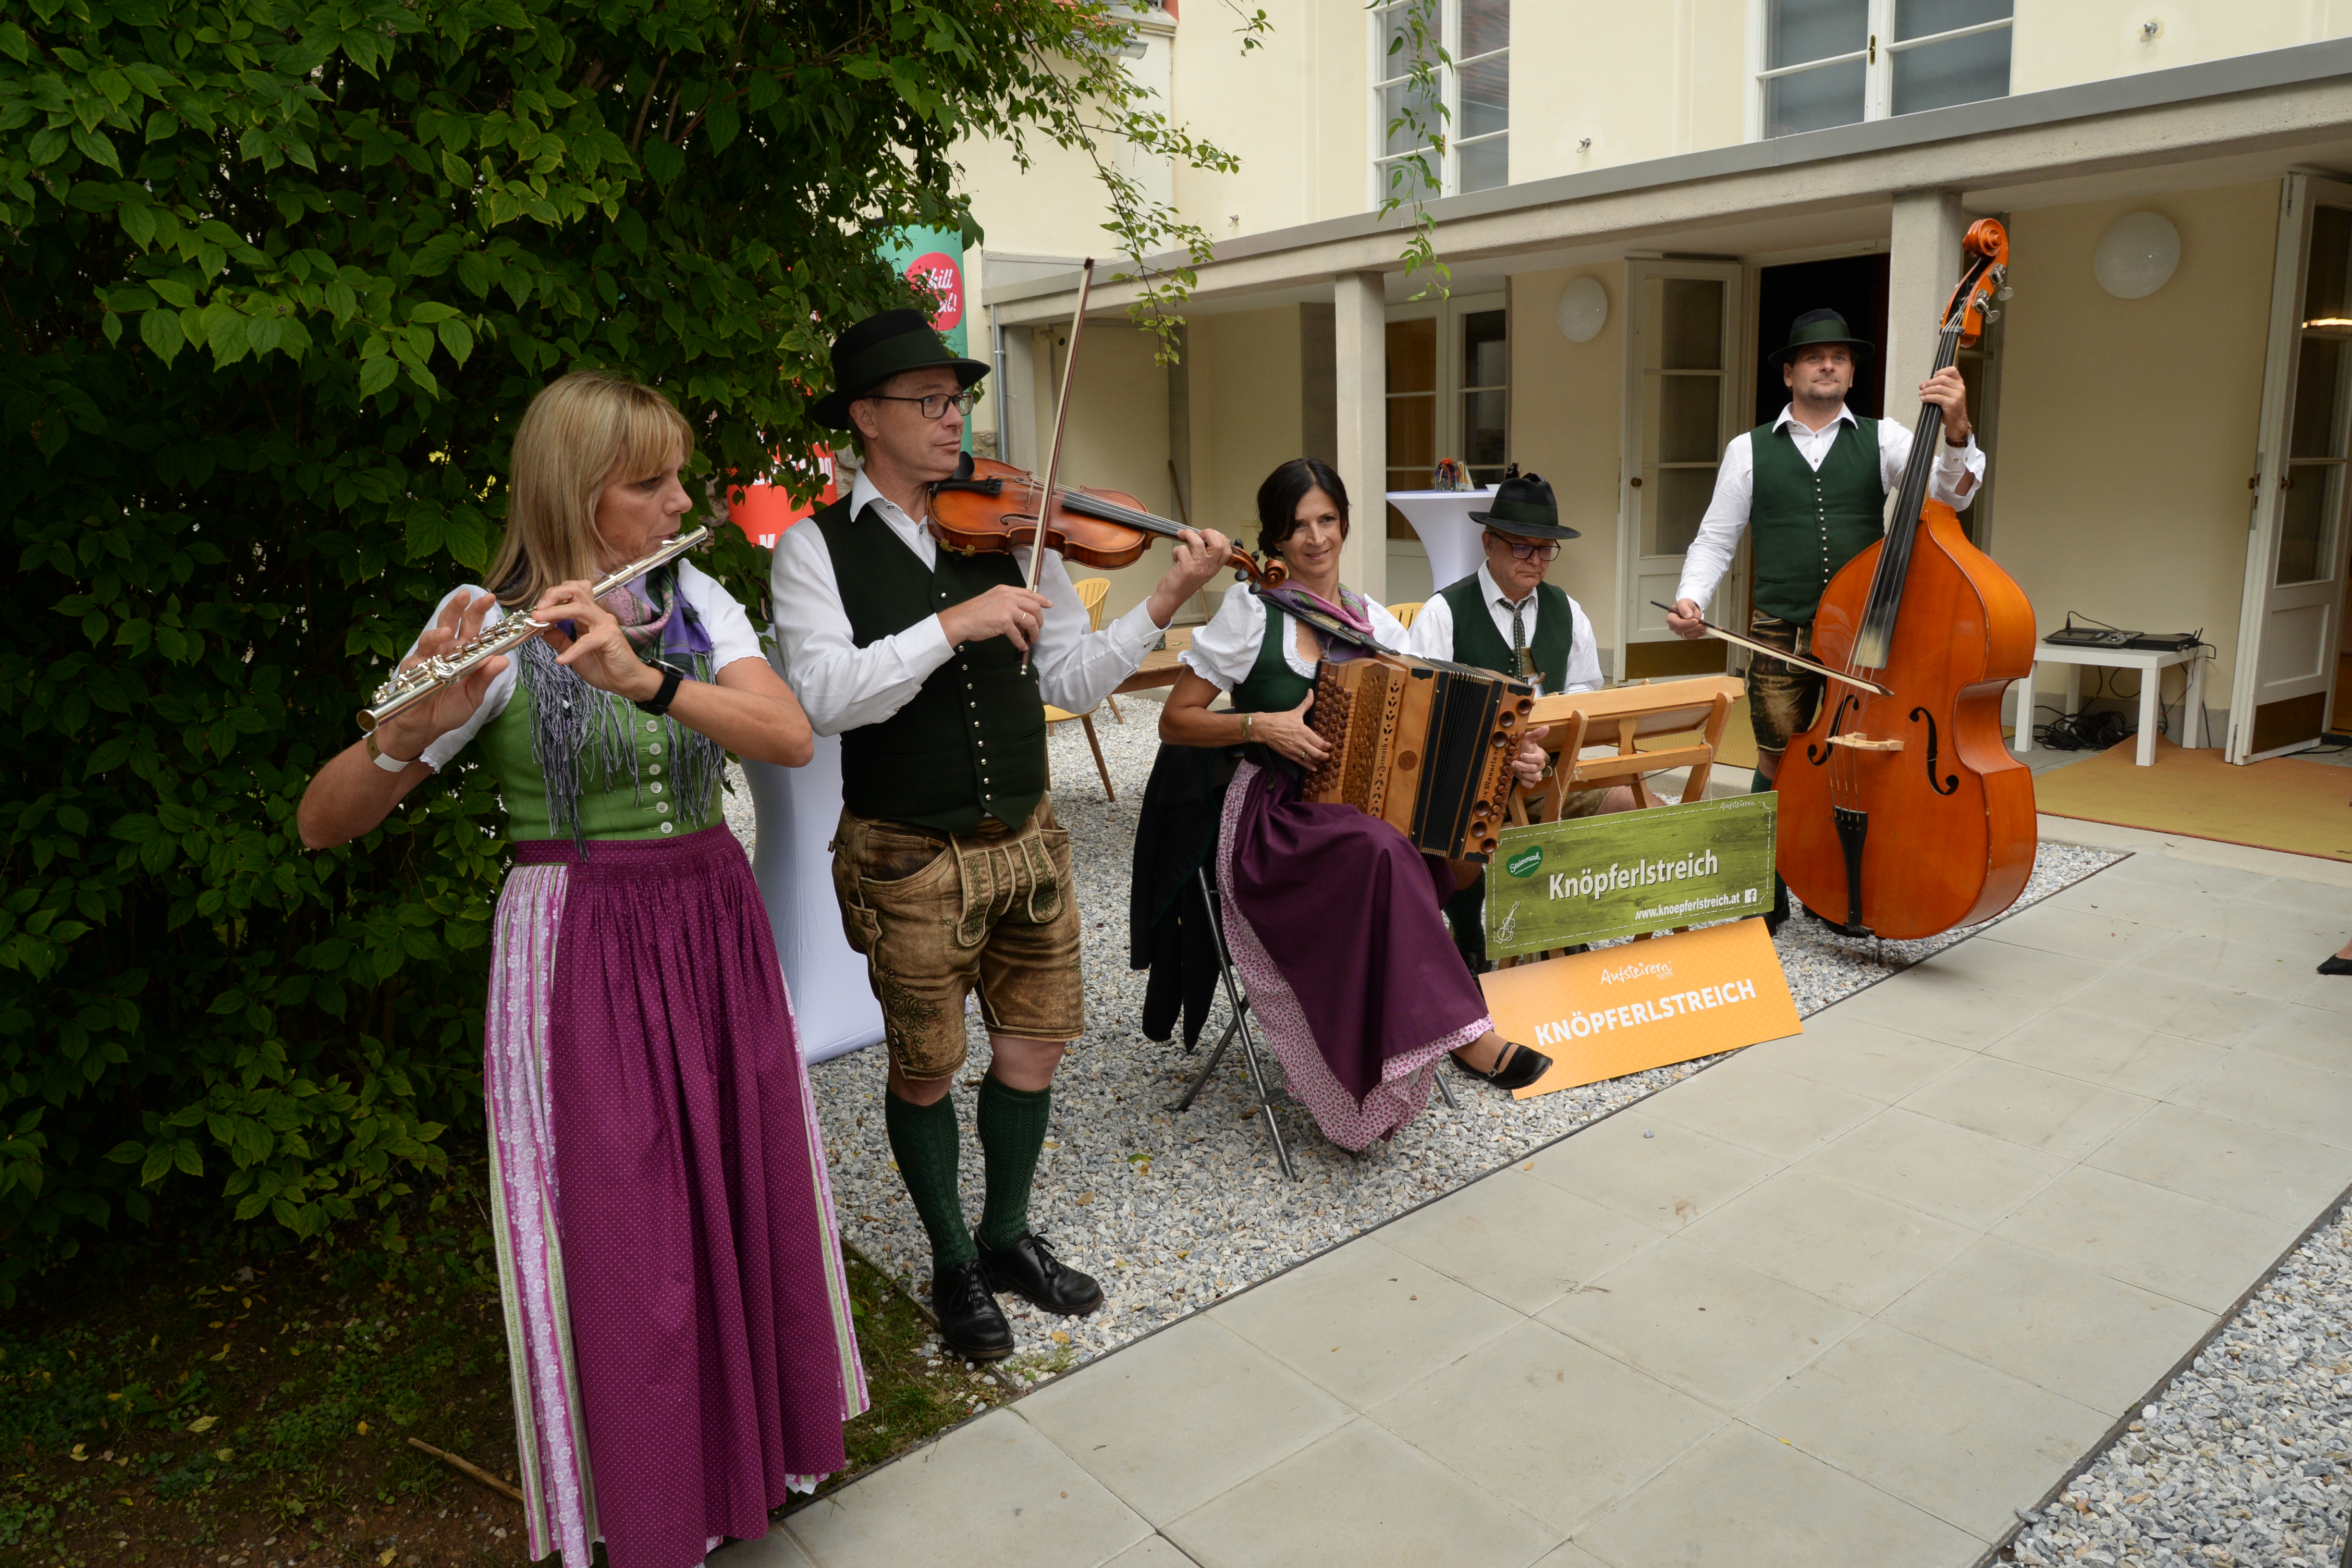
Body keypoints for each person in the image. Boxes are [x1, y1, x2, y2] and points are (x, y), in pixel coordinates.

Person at [296, 371, 864, 1568]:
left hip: (709, 918)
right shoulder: (483, 619)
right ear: (575, 491)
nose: (680, 502)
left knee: (741, 1185)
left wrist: (647, 678)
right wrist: (400, 733)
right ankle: (654, 1498)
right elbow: (321, 823)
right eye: (650, 483)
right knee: (623, 1231)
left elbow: (788, 735)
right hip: (580, 941)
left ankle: (755, 1455)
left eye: (677, 477)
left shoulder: (693, 597)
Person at [770, 309, 1233, 1363]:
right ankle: (951, 1260)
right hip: (907, 854)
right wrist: (952, 625)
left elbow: (1070, 677)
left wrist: (1165, 596)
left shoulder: (1014, 530)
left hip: (1029, 840)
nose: (955, 419)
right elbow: (826, 697)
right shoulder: (813, 547)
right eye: (930, 401)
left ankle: (1006, 1234)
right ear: (865, 417)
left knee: (1034, 1045)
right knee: (927, 1066)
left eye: (959, 399)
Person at [1159, 458, 1555, 1153]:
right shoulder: (1250, 613)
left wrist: (1514, 760)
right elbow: (1176, 721)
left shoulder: (1374, 621)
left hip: (1360, 812)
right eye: (1298, 526)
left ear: (1344, 524)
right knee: (1381, 851)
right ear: (1275, 538)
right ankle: (1468, 1033)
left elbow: (1437, 731)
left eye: (1327, 520)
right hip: (1275, 819)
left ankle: (1412, 1042)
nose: (1315, 538)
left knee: (1441, 854)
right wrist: (1261, 725)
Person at [1665, 308, 1986, 928]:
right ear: (1789, 373)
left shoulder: (1886, 438)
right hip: (1780, 626)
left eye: (1840, 357)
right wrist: (1691, 596)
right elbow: (1716, 537)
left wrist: (1957, 429)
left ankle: (1836, 886)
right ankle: (1762, 887)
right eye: (1814, 356)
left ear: (1852, 373)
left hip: (1865, 631)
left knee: (1854, 757)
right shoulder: (1748, 449)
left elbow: (1952, 495)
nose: (1829, 365)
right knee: (1777, 759)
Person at [1403, 471, 1637, 971]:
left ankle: (1564, 925)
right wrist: (1503, 751)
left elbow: (1585, 690)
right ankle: (1470, 938)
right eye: (1522, 547)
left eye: (1546, 549)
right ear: (1488, 543)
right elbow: (1421, 712)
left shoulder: (1567, 610)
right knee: (1456, 841)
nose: (1535, 560)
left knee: (1632, 804)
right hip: (1469, 779)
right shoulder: (1444, 612)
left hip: (1549, 771)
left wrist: (1550, 738)